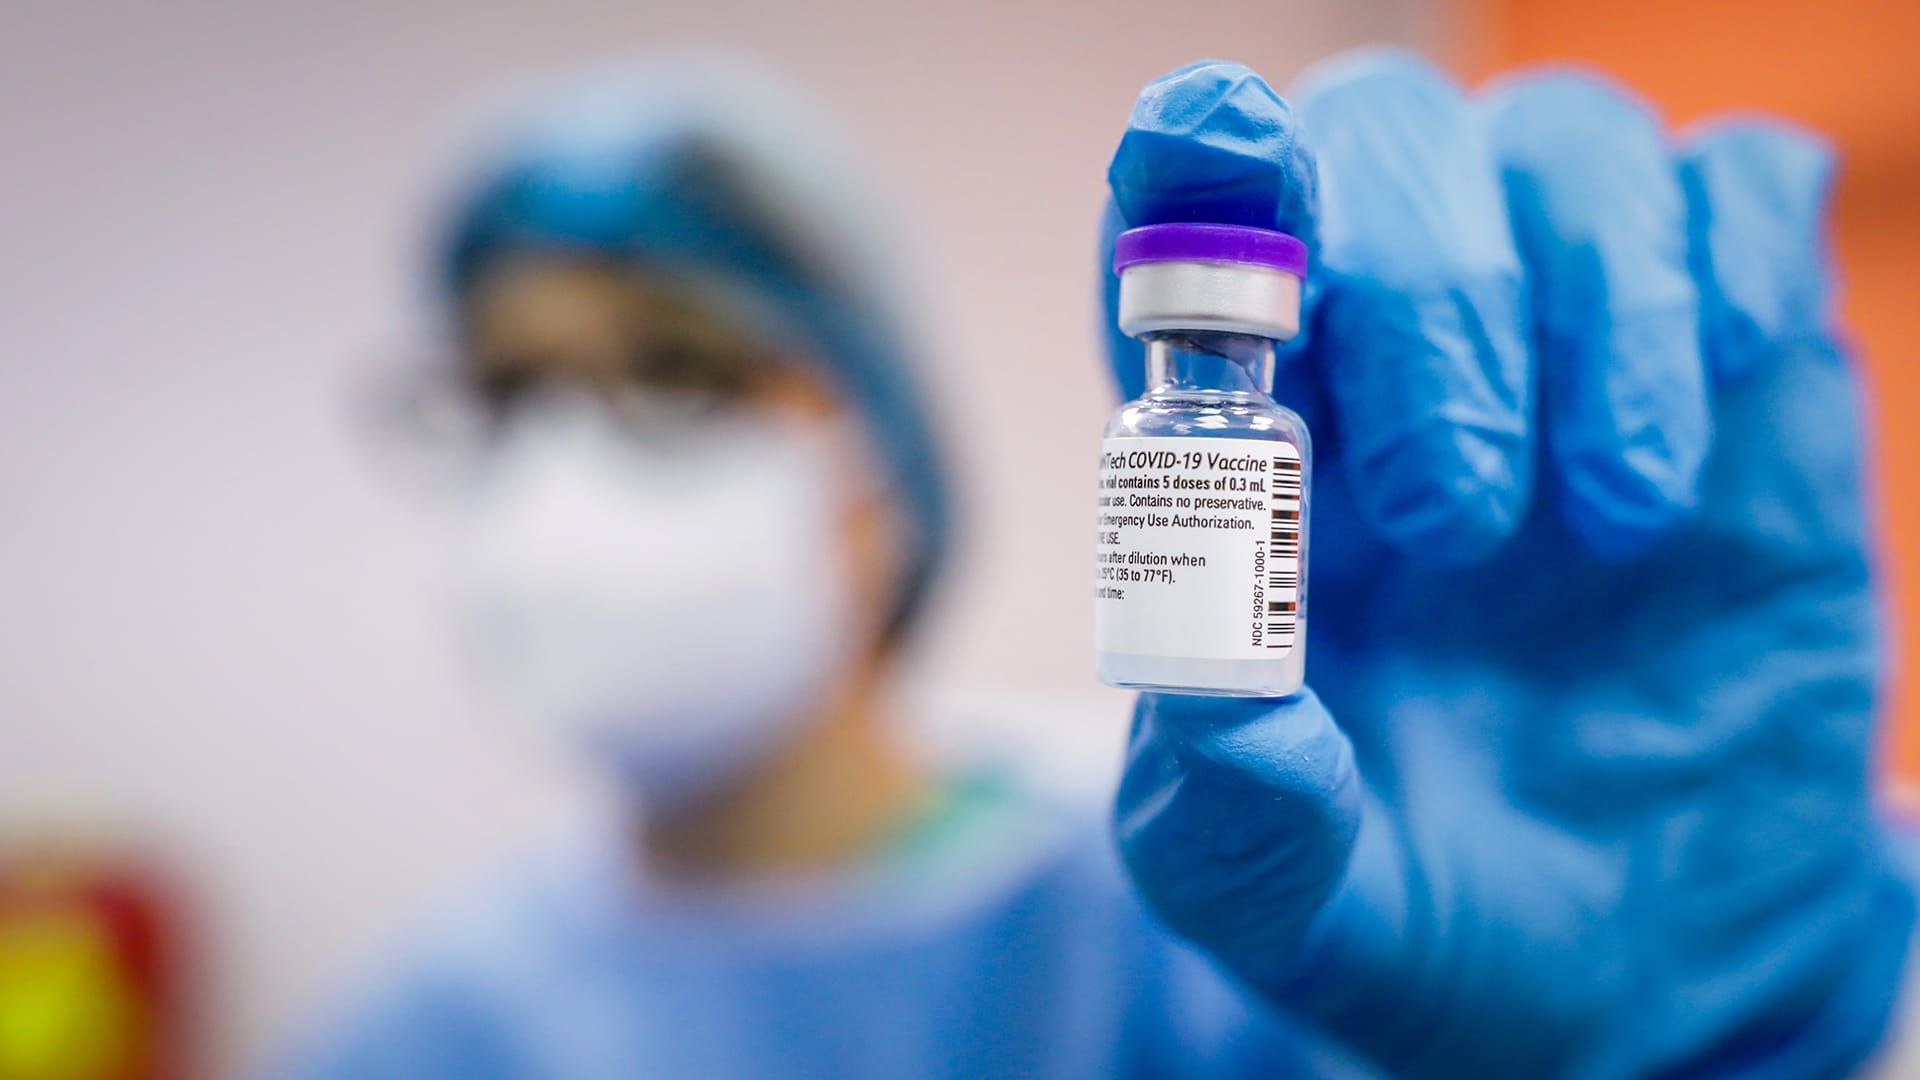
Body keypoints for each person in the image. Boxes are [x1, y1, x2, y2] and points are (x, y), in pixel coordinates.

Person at [281, 43, 1920, 1079]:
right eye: (507, 395)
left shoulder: (1209, 915)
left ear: (878, 460)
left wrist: (1726, 1044)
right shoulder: (423, 1029)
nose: (564, 475)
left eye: (676, 374)